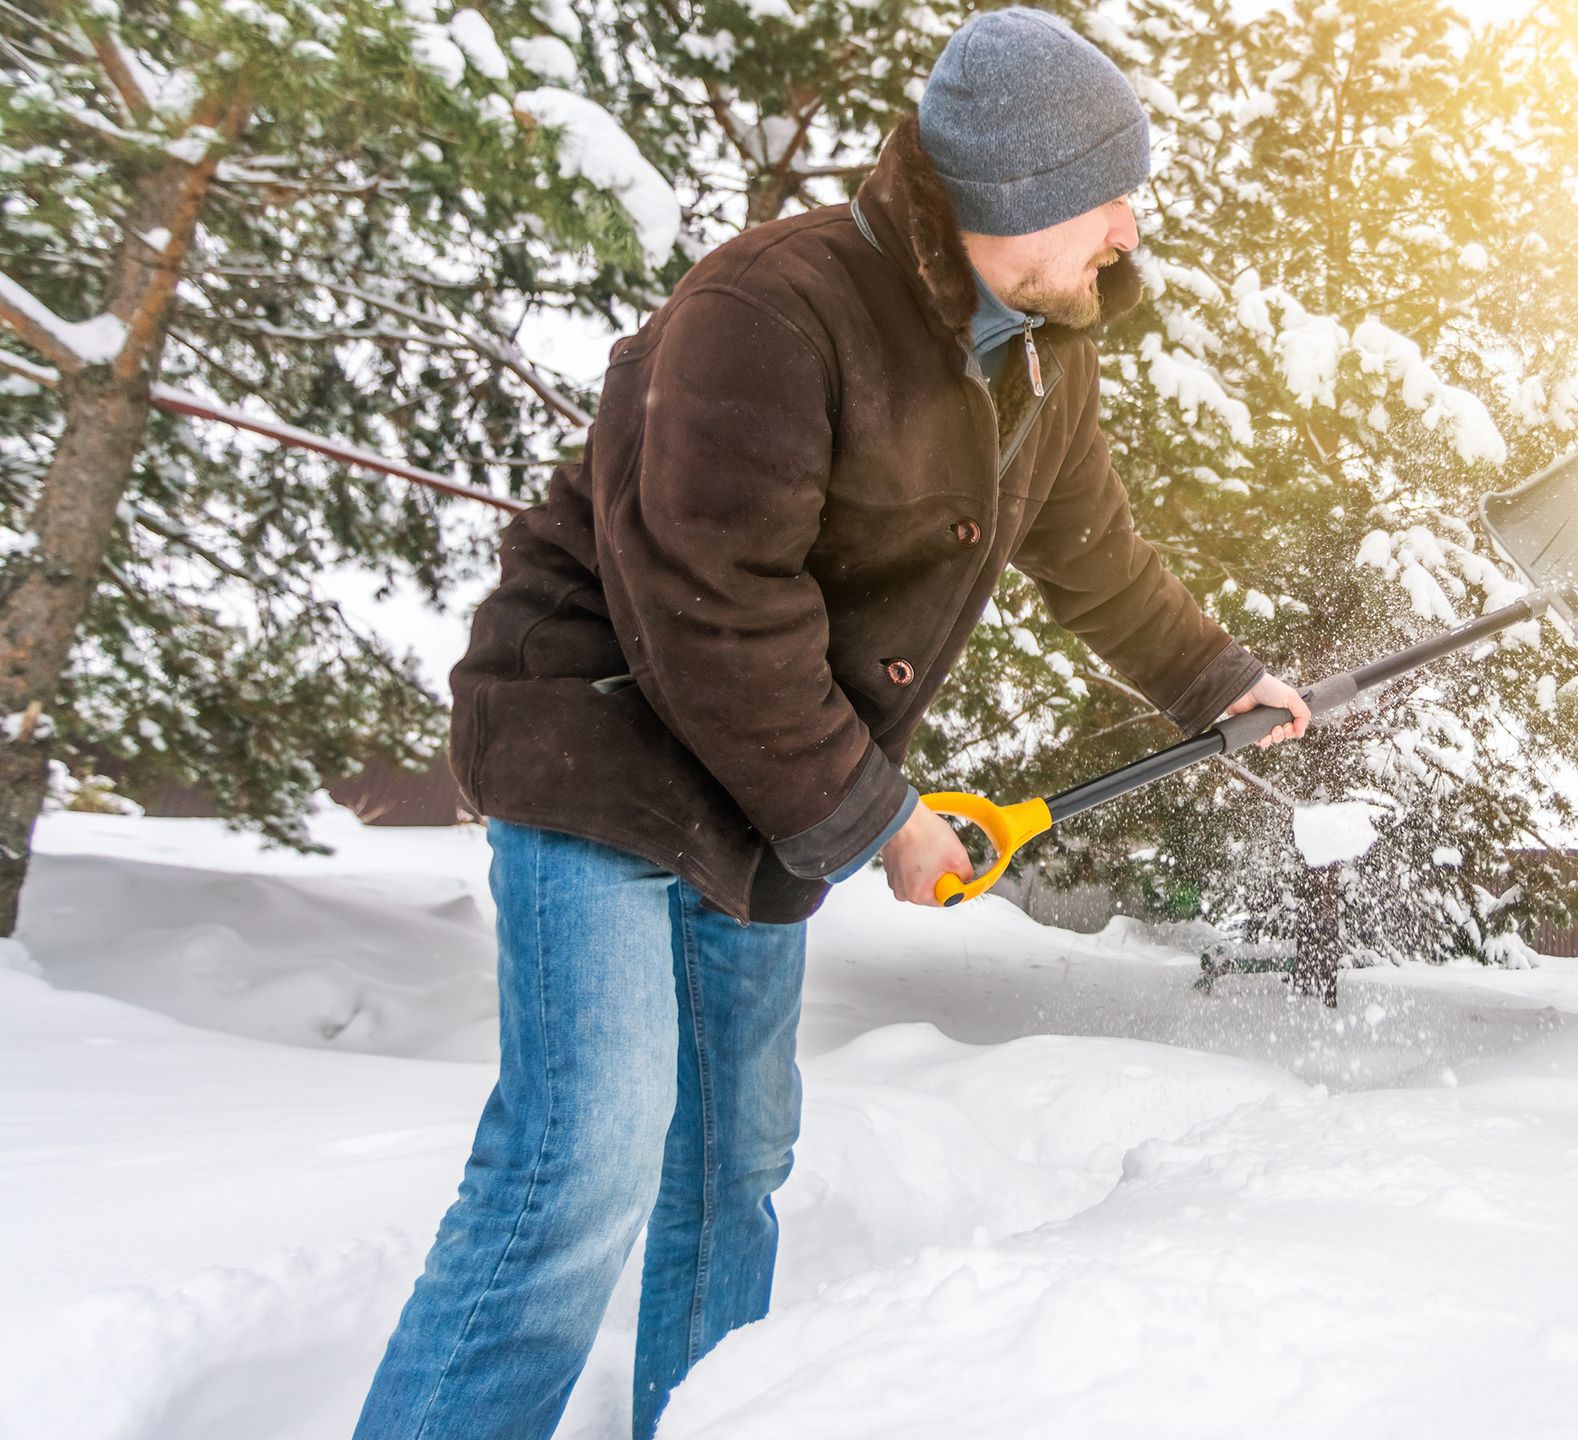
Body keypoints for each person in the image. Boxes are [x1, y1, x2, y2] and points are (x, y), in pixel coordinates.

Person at [351, 10, 1308, 1437]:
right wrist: (882, 823)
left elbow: (1091, 549)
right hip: (601, 742)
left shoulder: (1041, 343)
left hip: (755, 782)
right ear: (1007, 197)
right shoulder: (776, 308)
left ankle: (706, 1419)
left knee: (735, 1159)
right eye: (1103, 193)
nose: (1124, 226)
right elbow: (712, 605)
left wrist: (1213, 679)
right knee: (585, 1160)